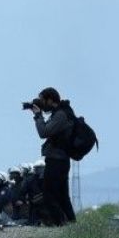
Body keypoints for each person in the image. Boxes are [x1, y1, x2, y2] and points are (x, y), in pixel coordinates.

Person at [28, 88, 79, 225]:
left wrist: (38, 116)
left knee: (49, 194)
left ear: (50, 100)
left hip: (57, 160)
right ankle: (71, 224)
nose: (42, 104)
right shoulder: (62, 112)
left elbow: (43, 132)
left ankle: (60, 224)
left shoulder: (61, 115)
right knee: (62, 195)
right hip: (60, 159)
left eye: (43, 100)